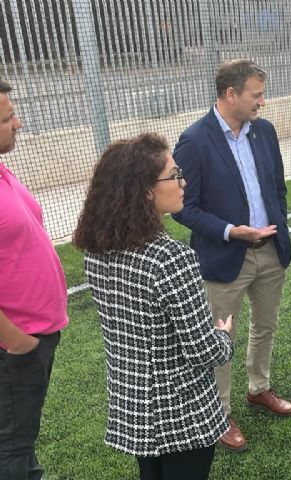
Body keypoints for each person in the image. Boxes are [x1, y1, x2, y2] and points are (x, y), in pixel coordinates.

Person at [73, 133, 234, 480]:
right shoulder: (171, 259)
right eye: (175, 175)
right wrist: (224, 337)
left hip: (134, 406)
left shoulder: (96, 252)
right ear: (145, 190)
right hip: (180, 409)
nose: (183, 182)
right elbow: (202, 350)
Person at [172, 59, 291, 452]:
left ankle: (259, 388)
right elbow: (182, 208)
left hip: (270, 251)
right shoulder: (194, 140)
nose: (262, 101)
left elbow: (277, 187)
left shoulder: (264, 131)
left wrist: (277, 224)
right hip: (225, 257)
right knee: (220, 338)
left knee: (266, 326)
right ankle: (220, 412)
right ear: (230, 94)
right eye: (255, 94)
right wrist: (230, 231)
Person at [0, 80, 68, 480]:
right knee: (10, 445)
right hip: (15, 345)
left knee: (20, 439)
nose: (18, 123)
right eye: (8, 118)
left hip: (34, 336)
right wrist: (16, 341)